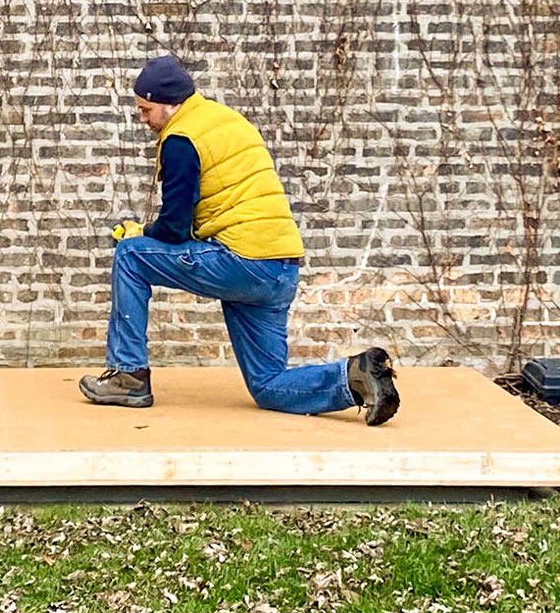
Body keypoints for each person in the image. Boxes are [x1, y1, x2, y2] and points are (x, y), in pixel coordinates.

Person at [80, 54, 400, 424]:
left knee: (130, 255)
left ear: (169, 104)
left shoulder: (182, 139)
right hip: (280, 269)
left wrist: (141, 232)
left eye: (145, 109)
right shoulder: (227, 120)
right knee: (268, 385)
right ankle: (354, 376)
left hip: (242, 262)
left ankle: (128, 377)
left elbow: (175, 228)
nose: (142, 118)